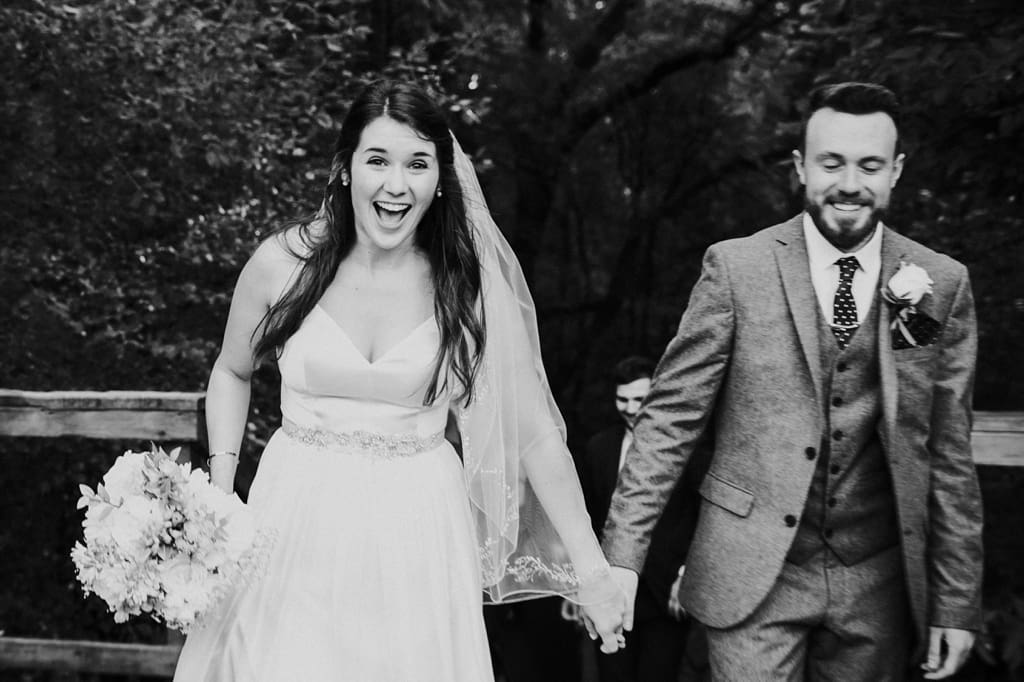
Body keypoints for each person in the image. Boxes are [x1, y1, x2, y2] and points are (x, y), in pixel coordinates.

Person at [173, 79, 627, 681]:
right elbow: (232, 370)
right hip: (292, 519)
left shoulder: (465, 287)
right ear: (345, 169)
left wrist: (594, 573)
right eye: (378, 160)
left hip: (417, 529)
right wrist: (220, 492)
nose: (396, 184)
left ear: (440, 179)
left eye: (417, 164)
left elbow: (537, 436)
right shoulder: (282, 264)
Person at [601, 82, 983, 681]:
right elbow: (669, 421)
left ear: (896, 171)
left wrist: (956, 601)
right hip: (750, 569)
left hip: (877, 581)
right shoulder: (737, 268)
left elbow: (949, 453)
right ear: (801, 167)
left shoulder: (942, 281)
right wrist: (622, 560)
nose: (850, 183)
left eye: (870, 165)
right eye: (831, 163)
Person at [578, 355, 709, 682]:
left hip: (666, 590)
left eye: (639, 399)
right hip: (613, 591)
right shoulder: (598, 448)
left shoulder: (684, 447)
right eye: (622, 399)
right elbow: (590, 518)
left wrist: (686, 575)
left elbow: (701, 515)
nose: (630, 408)